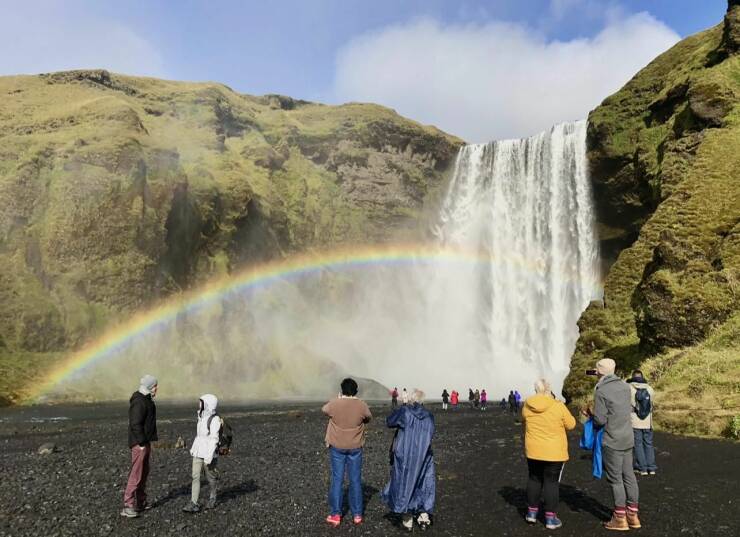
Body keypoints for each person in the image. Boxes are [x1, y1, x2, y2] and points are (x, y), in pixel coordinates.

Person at [588, 358, 641, 531]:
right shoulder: (625, 386)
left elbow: (600, 420)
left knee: (615, 479)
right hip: (628, 437)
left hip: (612, 439)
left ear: (599, 372)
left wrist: (590, 414)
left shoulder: (601, 390)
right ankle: (633, 515)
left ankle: (620, 518)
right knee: (629, 476)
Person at [521, 379, 576, 530]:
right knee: (551, 482)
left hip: (533, 451)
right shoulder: (558, 406)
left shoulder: (527, 405)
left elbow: (524, 419)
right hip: (554, 452)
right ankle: (550, 519)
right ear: (548, 390)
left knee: (534, 479)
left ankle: (531, 514)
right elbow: (571, 424)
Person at [381, 389, 436, 532]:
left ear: (411, 399)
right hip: (424, 455)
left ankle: (408, 520)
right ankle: (424, 516)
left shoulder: (405, 412)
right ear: (422, 401)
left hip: (405, 455)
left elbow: (389, 421)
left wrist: (403, 406)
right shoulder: (429, 416)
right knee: (424, 483)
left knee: (404, 484)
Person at [322, 378, 373, 527]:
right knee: (355, 480)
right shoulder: (361, 405)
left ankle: (336, 514)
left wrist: (338, 399)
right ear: (356, 391)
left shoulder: (335, 403)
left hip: (337, 446)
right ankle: (357, 514)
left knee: (337, 480)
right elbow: (369, 417)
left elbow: (324, 409)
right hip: (355, 447)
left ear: (342, 390)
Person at [121, 375, 158, 518]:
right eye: (155, 385)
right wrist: (142, 443)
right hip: (139, 444)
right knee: (136, 474)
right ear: (149, 386)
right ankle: (128, 505)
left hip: (144, 442)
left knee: (143, 473)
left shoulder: (146, 399)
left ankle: (140, 502)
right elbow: (135, 424)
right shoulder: (139, 402)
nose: (157, 388)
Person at [183, 394, 221, 513]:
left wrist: (209, 456)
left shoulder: (215, 420)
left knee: (210, 477)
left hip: (208, 453)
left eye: (201, 402)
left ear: (208, 404)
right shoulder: (201, 416)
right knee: (195, 476)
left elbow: (214, 439)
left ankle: (213, 497)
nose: (199, 404)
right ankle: (194, 502)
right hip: (198, 451)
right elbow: (200, 436)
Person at [627, 370, 657, 476]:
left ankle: (642, 468)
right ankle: (651, 467)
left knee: (638, 445)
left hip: (635, 421)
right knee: (648, 444)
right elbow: (652, 404)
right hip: (648, 421)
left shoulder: (629, 388)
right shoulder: (649, 388)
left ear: (633, 377)